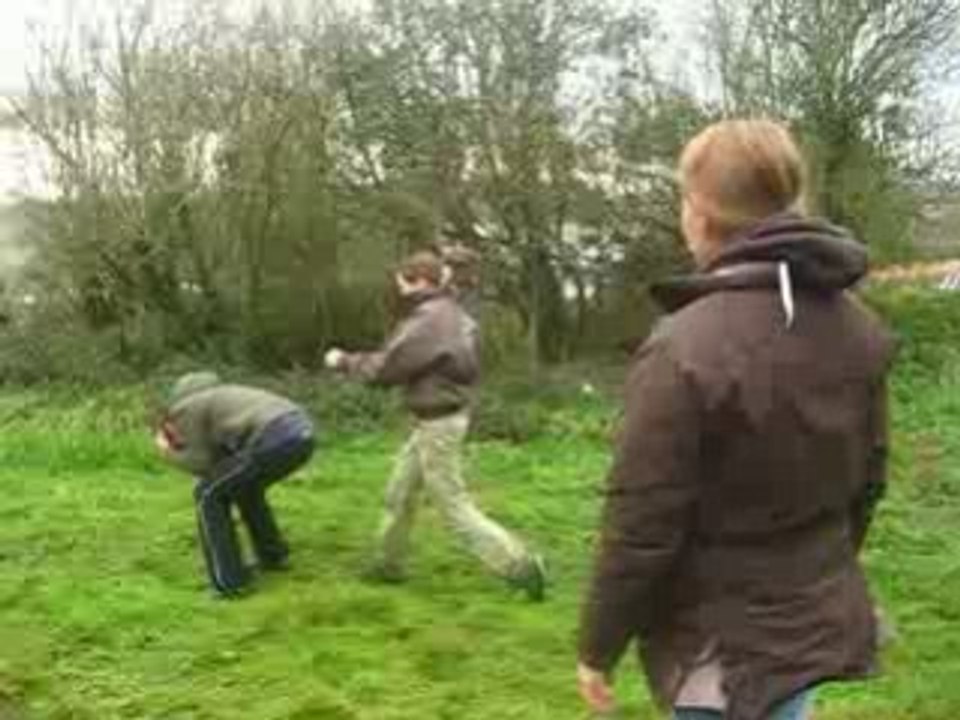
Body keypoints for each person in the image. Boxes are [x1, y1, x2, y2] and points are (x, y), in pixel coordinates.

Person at [577, 120, 895, 720]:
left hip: (719, 649)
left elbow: (642, 524)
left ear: (698, 215)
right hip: (808, 622)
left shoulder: (683, 348)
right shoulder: (861, 326)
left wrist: (598, 646)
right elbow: (869, 481)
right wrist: (817, 574)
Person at [325, 251, 546, 600]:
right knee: (399, 492)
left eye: (401, 281)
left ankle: (520, 565)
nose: (398, 288)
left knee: (453, 506)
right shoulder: (451, 314)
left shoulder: (429, 320)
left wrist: (344, 361)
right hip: (436, 418)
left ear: (418, 280)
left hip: (438, 423)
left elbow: (388, 367)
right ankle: (387, 565)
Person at [155, 372, 316, 597]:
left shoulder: (189, 406)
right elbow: (222, 459)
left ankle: (229, 583)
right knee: (243, 487)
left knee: (208, 495)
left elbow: (203, 463)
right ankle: (273, 556)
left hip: (273, 436)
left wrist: (166, 451)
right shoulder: (227, 397)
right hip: (302, 432)